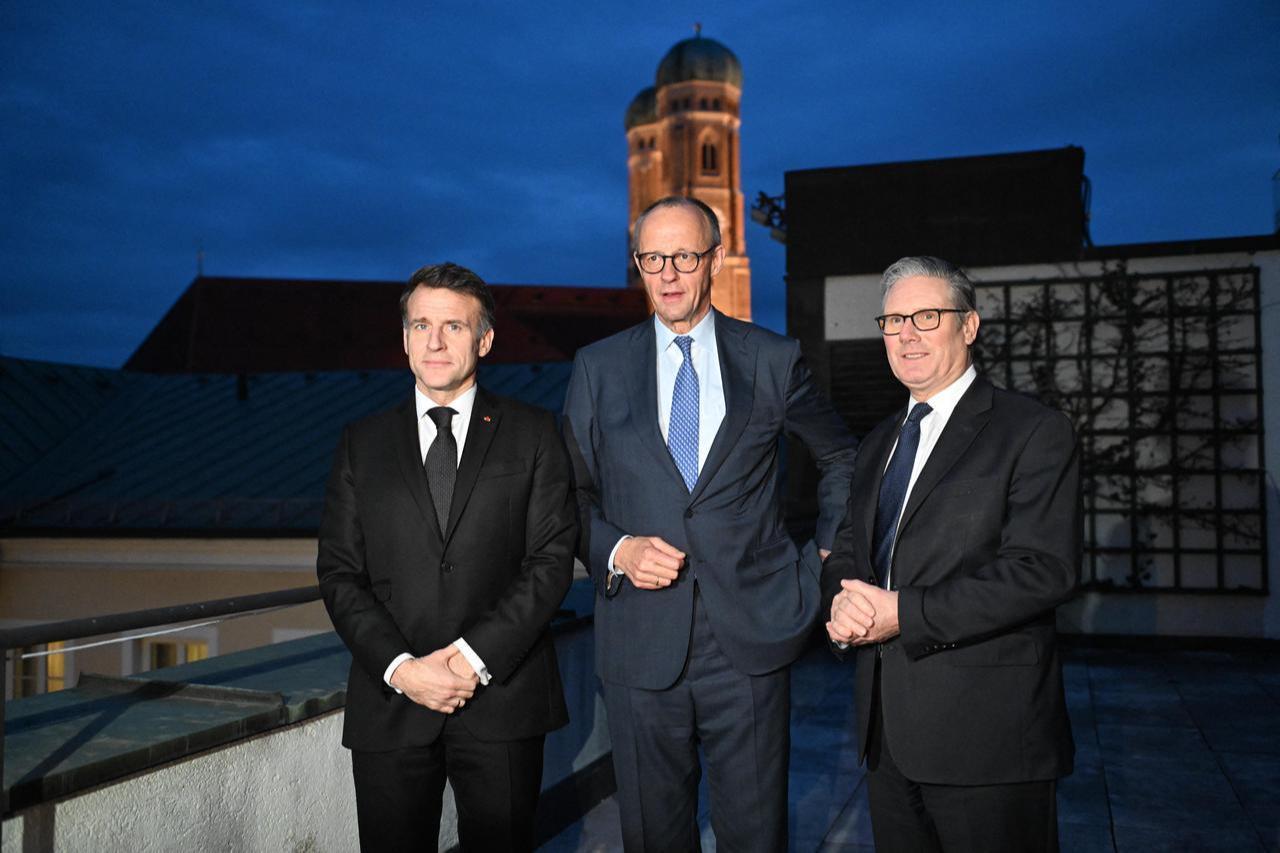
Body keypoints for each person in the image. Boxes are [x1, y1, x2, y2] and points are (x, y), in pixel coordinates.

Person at [562, 196, 858, 851]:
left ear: (716, 259)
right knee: (654, 835)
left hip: (751, 637)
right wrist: (617, 548)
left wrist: (821, 559)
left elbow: (842, 456)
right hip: (640, 641)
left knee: (754, 835)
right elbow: (567, 495)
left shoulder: (772, 359)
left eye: (684, 256)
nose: (668, 273)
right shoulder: (598, 367)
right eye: (652, 259)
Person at [822, 255, 1080, 853]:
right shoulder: (878, 442)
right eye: (893, 321)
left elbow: (1043, 570)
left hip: (987, 741)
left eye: (927, 316)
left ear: (969, 325)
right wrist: (841, 604)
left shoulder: (1031, 430)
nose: (907, 334)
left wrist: (903, 613)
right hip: (886, 739)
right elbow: (851, 551)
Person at [316, 262, 577, 852]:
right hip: (391, 702)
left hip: (503, 700)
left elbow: (550, 562)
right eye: (421, 326)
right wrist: (403, 669)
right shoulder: (361, 442)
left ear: (484, 340)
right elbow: (339, 573)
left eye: (453, 327)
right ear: (405, 338)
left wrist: (469, 661)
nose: (434, 342)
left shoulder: (534, 433)